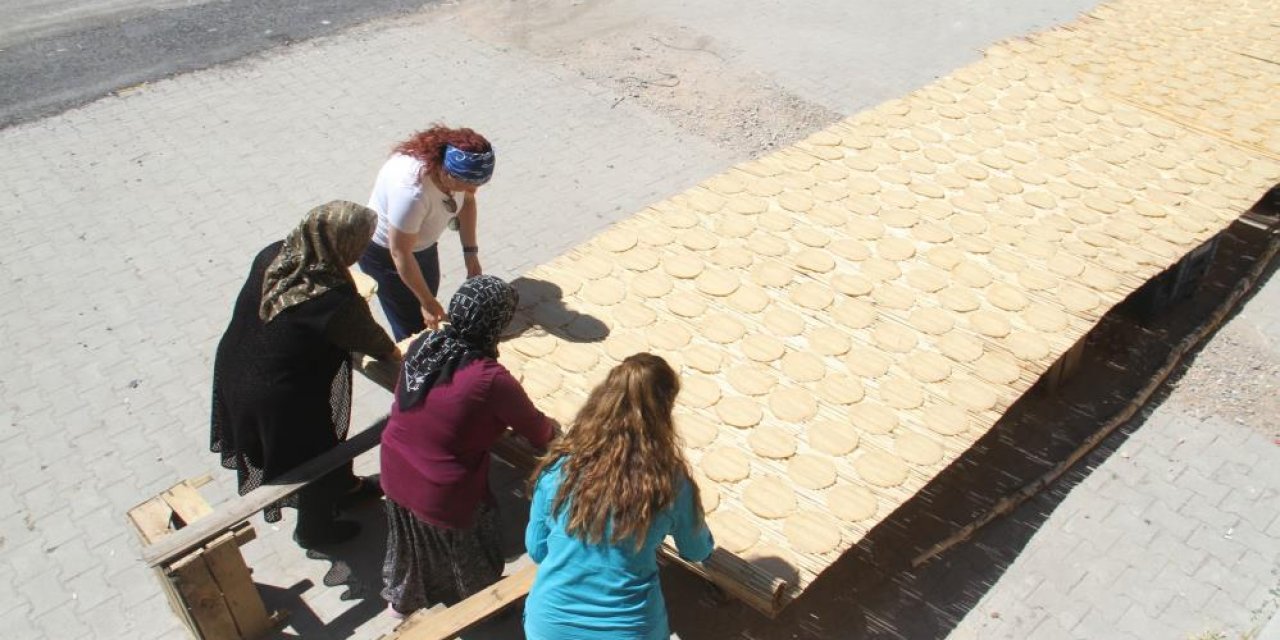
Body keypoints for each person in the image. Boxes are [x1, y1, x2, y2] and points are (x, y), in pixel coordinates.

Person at [210, 201, 401, 548]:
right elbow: (378, 344)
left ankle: (347, 488)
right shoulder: (332, 300)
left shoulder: (275, 254)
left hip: (238, 367)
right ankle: (316, 531)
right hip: (281, 400)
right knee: (314, 460)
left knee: (325, 443)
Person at [380, 275, 555, 615]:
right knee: (469, 555)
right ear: (497, 323)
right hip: (440, 491)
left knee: (415, 544)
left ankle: (403, 601)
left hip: (394, 467)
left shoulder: (425, 346)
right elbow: (539, 433)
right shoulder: (489, 377)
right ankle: (481, 609)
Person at [524, 353, 715, 640]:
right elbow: (696, 550)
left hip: (549, 625)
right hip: (630, 630)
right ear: (664, 412)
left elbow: (537, 550)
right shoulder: (669, 483)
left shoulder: (559, 468)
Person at [359, 125, 495, 341]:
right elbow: (400, 252)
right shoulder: (411, 192)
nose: (473, 189)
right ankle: (412, 366)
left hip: (421, 246)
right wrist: (428, 303)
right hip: (386, 256)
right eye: (468, 183)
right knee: (413, 326)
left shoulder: (457, 178)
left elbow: (467, 203)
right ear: (446, 171)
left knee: (426, 300)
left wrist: (470, 253)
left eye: (478, 183)